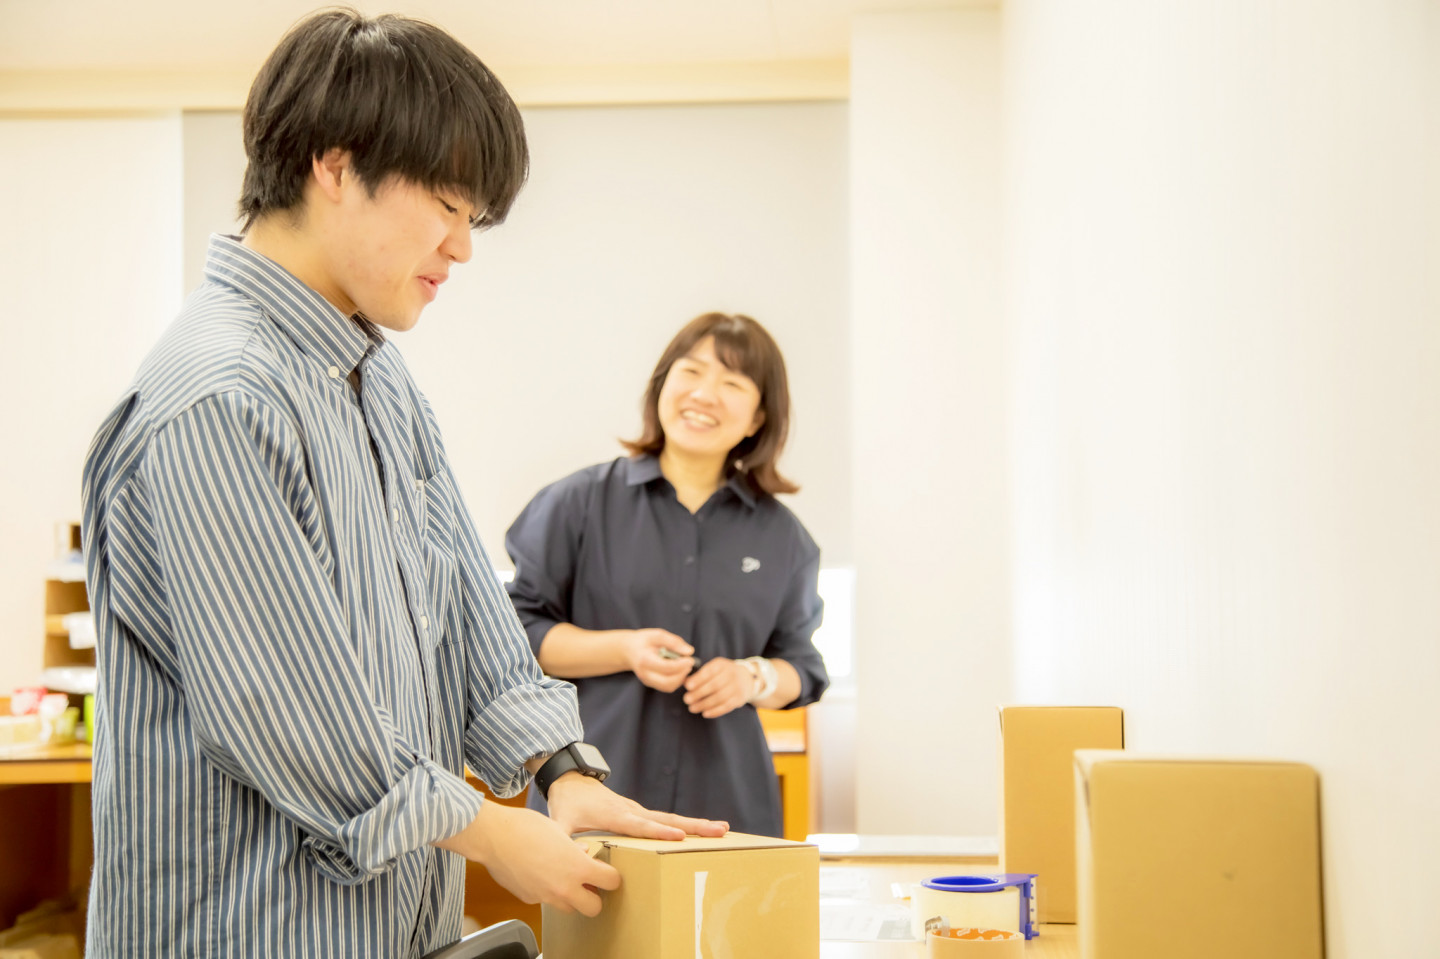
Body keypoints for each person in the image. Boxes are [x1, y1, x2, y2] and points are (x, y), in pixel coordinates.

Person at [79, 10, 723, 958]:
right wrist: (497, 832)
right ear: (336, 167)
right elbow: (292, 716)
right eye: (450, 206)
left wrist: (563, 769)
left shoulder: (376, 376)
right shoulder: (216, 397)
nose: (462, 248)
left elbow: (468, 604)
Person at [505, 313, 830, 838]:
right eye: (692, 372)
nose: (705, 394)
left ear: (756, 419)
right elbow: (513, 637)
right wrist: (625, 649)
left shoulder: (784, 538)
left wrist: (752, 677)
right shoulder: (576, 504)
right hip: (591, 796)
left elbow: (803, 668)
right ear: (662, 386)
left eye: (732, 383)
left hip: (728, 810)